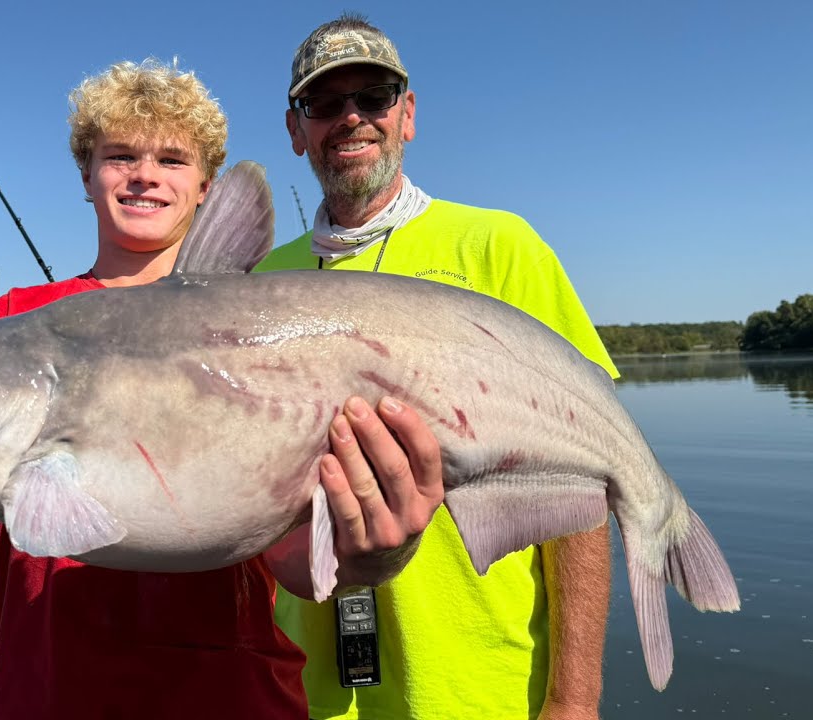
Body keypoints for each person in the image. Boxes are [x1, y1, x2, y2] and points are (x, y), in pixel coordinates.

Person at [0, 58, 445, 720]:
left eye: (171, 159)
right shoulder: (7, 325)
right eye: (119, 156)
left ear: (205, 186)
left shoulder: (282, 332)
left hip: (235, 699)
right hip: (53, 698)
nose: (144, 175)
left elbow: (293, 569)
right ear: (86, 174)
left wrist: (375, 551)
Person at [256, 14, 621, 720]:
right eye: (325, 104)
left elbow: (582, 489)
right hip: (308, 694)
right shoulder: (265, 278)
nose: (352, 118)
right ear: (295, 129)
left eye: (375, 96)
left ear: (409, 114)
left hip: (483, 688)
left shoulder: (500, 248)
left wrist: (574, 699)